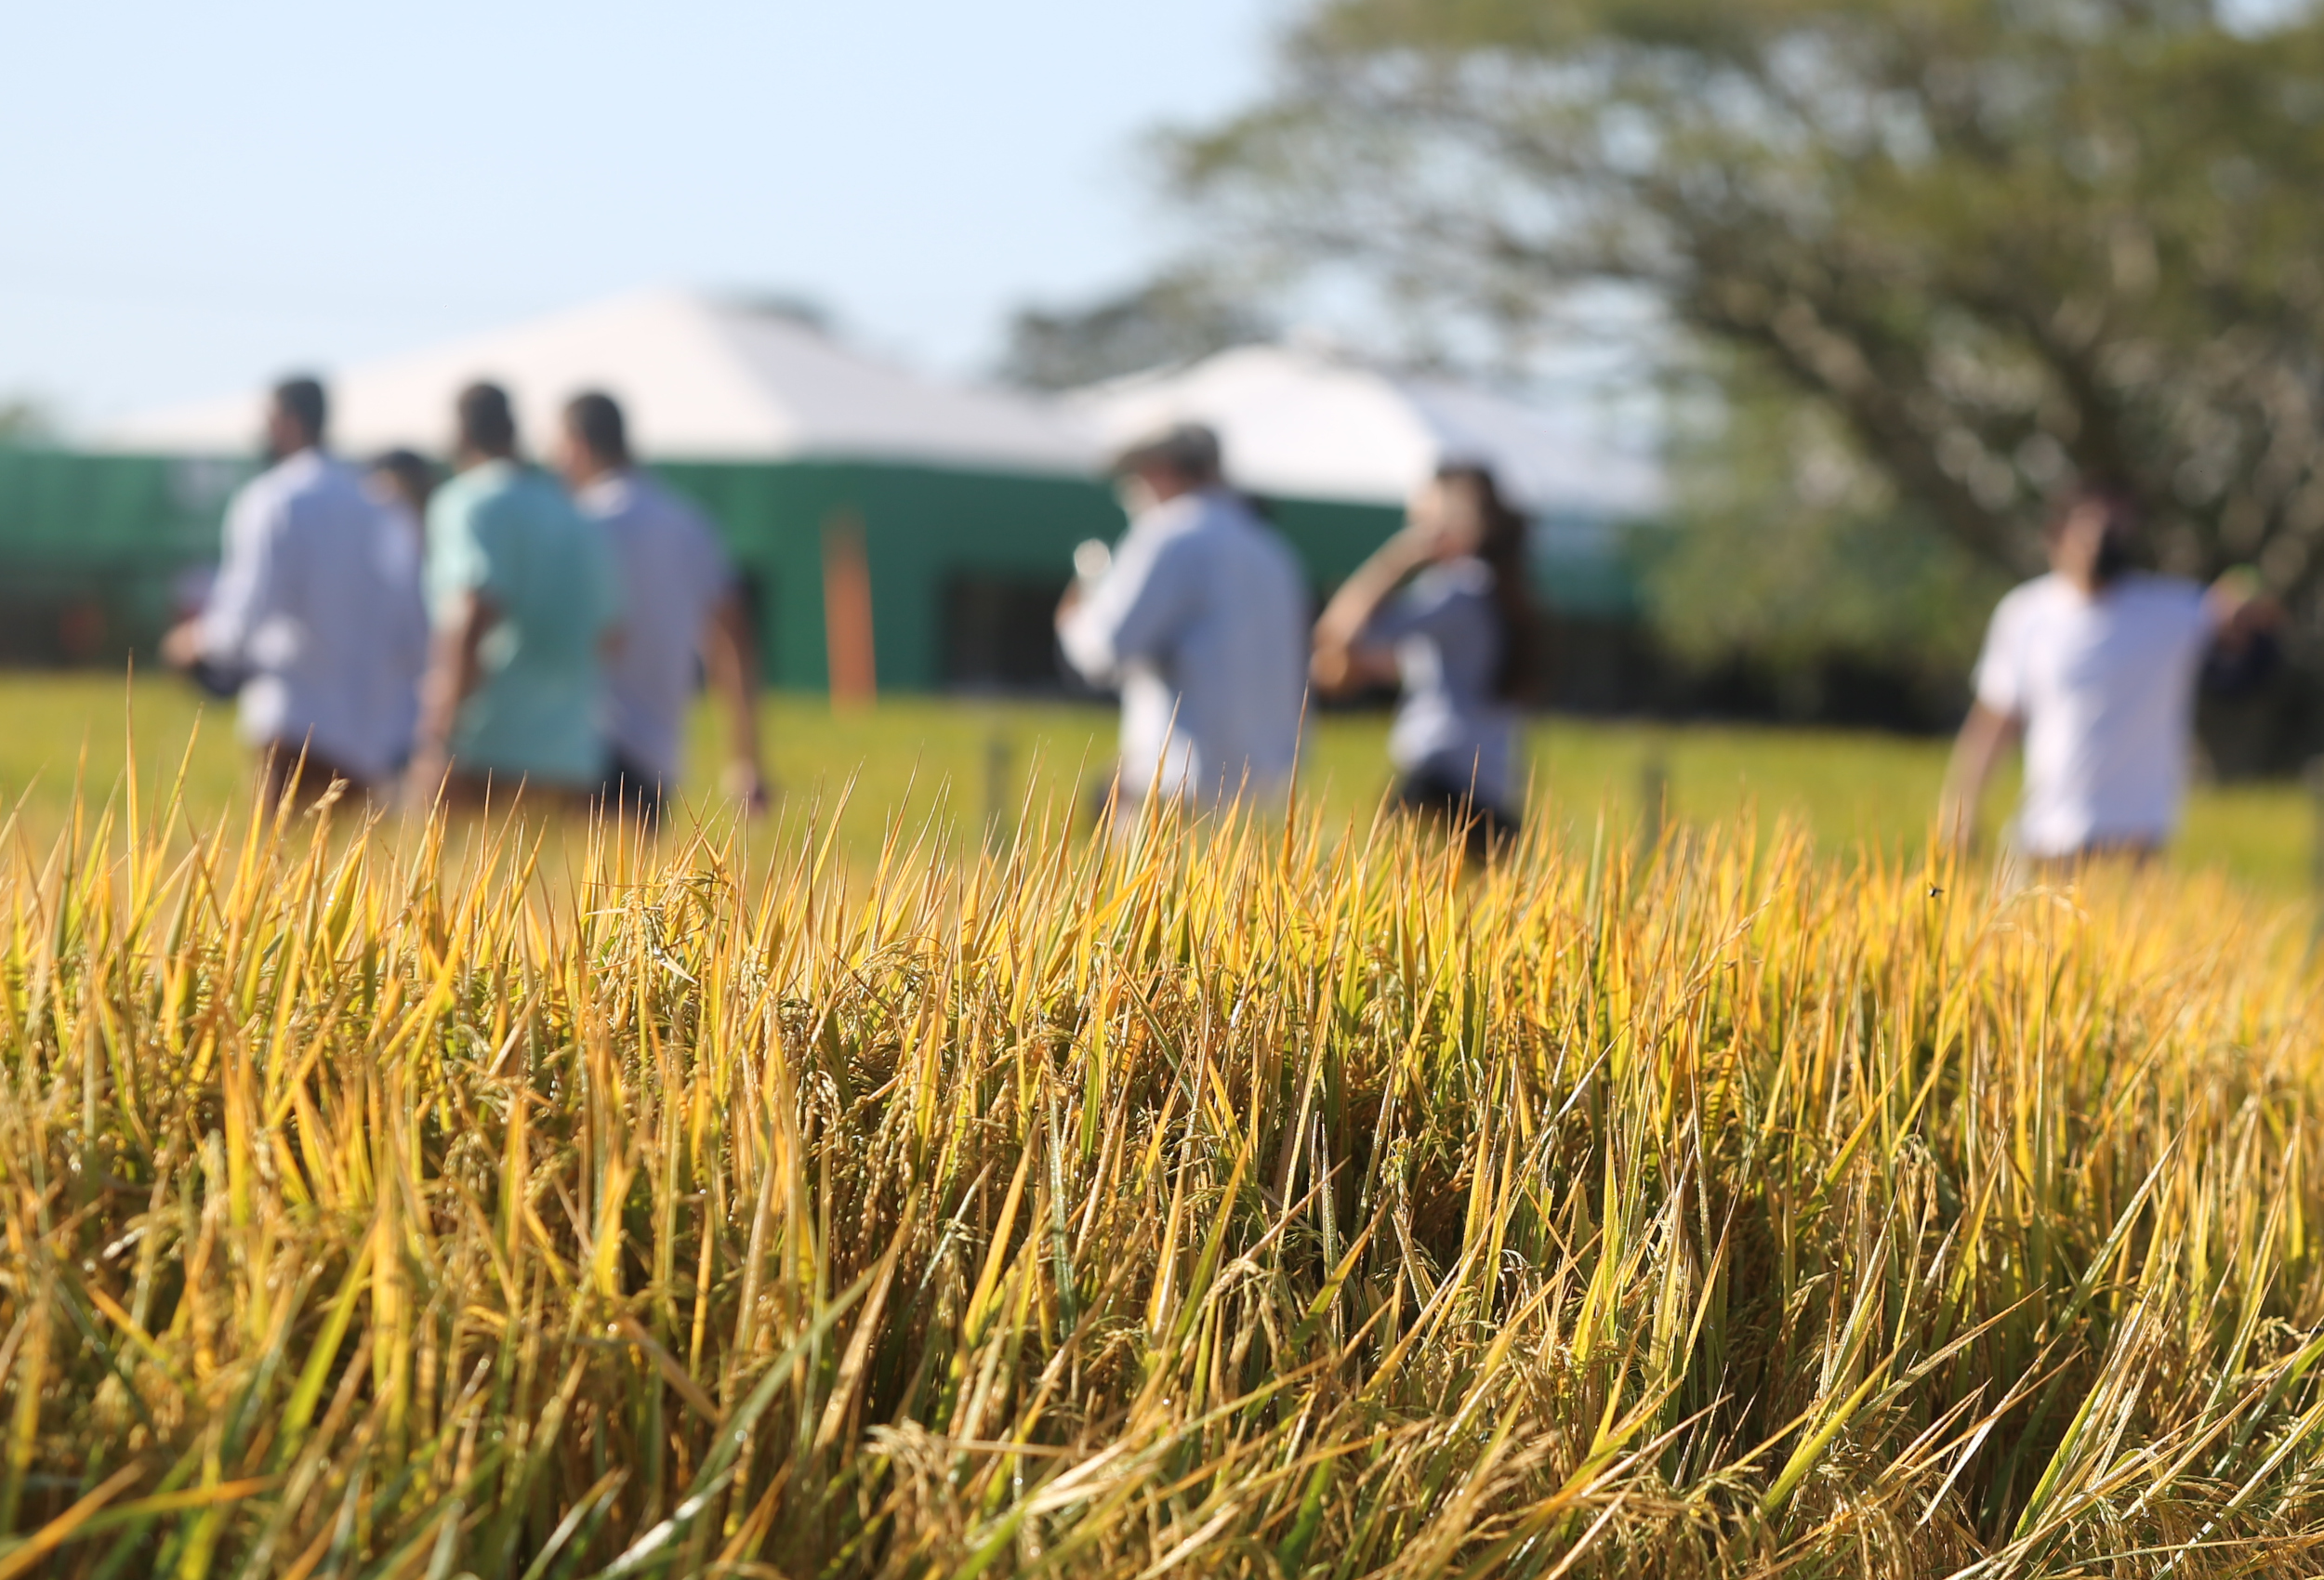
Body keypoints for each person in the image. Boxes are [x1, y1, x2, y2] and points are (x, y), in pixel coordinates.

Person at [1941, 486, 2280, 862]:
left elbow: (2234, 628)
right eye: (2093, 526)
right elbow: (1997, 719)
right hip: (2043, 836)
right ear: (2059, 533)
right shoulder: (2026, 614)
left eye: (2117, 528)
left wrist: (2246, 613)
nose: (2103, 540)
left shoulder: (2169, 612)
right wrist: (1960, 807)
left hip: (2135, 844)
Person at [160, 375, 428, 805]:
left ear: (286, 422)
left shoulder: (274, 499)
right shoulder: (378, 506)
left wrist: (190, 643)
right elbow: (413, 634)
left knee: (278, 866)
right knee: (347, 869)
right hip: (366, 735)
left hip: (292, 721)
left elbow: (242, 621)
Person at [1057, 423, 1308, 815]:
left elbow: (1107, 650)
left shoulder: (1169, 535)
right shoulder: (1273, 551)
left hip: (1178, 784)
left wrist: (1073, 618)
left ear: (1160, 471)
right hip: (1270, 791)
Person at [554, 391, 768, 822]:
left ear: (576, 446)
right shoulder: (689, 523)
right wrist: (746, 758)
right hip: (656, 754)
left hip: (576, 751)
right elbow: (734, 639)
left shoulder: (579, 524)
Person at [1310, 463, 1539, 860]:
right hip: (1487, 775)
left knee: (1381, 885)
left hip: (1445, 771)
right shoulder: (1490, 589)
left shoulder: (1458, 590)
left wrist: (1398, 558)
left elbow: (1337, 632)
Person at [407, 382, 620, 809]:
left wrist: (436, 735)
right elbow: (611, 635)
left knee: (452, 875)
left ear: (460, 435)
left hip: (485, 750)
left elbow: (473, 610)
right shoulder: (571, 510)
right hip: (570, 755)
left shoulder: (466, 502)